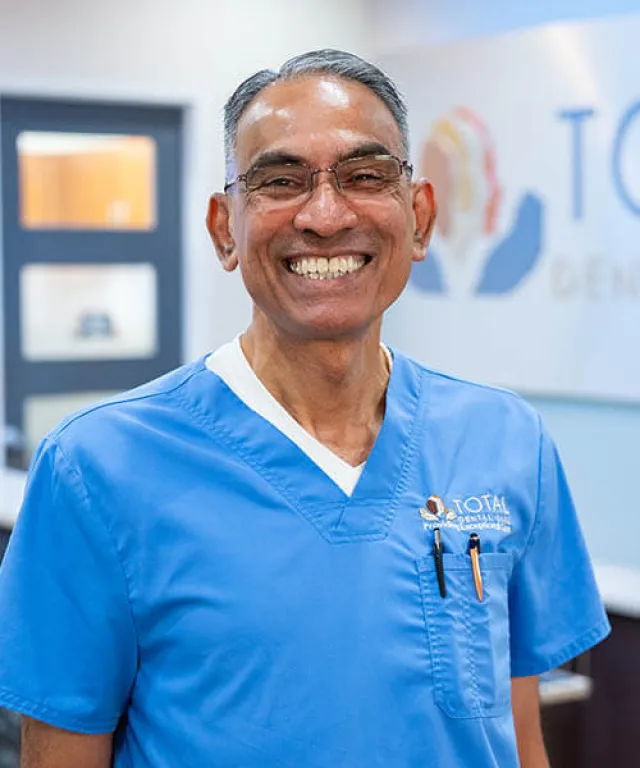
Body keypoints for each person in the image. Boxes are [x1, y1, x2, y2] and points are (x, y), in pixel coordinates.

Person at [0, 50, 609, 768]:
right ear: (225, 228)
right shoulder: (98, 467)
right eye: (281, 181)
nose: (324, 216)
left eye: (365, 176)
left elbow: (517, 735)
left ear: (419, 218)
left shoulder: (505, 441)